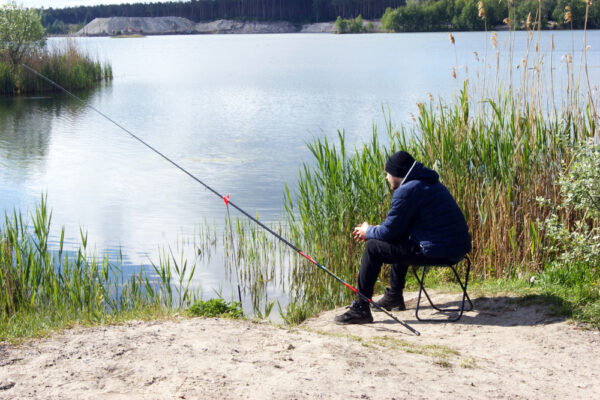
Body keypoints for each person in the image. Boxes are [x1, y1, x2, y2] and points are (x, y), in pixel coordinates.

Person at [334, 150, 471, 324]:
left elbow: (388, 232)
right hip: (456, 248)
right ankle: (394, 297)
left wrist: (368, 232)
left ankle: (361, 308)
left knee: (373, 247)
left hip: (441, 250)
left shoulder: (407, 191)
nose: (387, 178)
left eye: (388, 173)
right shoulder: (428, 183)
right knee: (399, 239)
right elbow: (396, 229)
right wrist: (376, 229)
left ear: (397, 174)